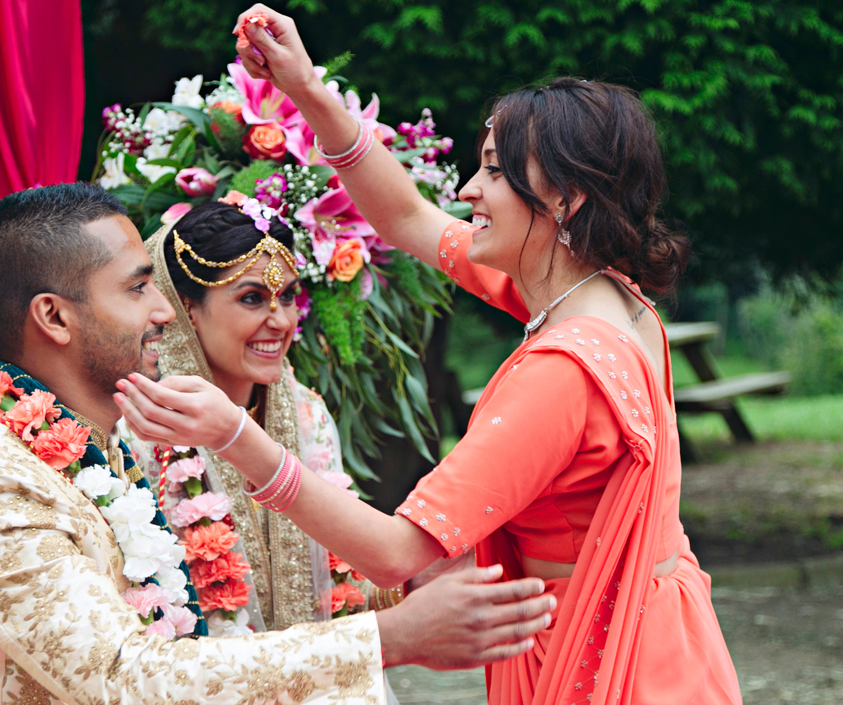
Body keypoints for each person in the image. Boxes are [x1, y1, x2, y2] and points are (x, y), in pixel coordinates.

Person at [113, 7, 744, 704]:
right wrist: (308, 89)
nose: (469, 191)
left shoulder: (562, 372)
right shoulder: (605, 298)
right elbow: (407, 217)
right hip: (669, 636)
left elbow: (394, 552)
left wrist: (236, 436)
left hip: (602, 652)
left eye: (495, 173)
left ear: (565, 198)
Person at [0, 182, 557, 705]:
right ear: (54, 316)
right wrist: (390, 637)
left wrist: (414, 587)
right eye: (137, 286)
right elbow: (127, 676)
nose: (162, 310)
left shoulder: (100, 454)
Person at [119, 199, 383, 637]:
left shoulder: (308, 414)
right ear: (188, 310)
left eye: (287, 297)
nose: (279, 321)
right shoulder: (146, 429)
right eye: (252, 298)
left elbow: (340, 579)